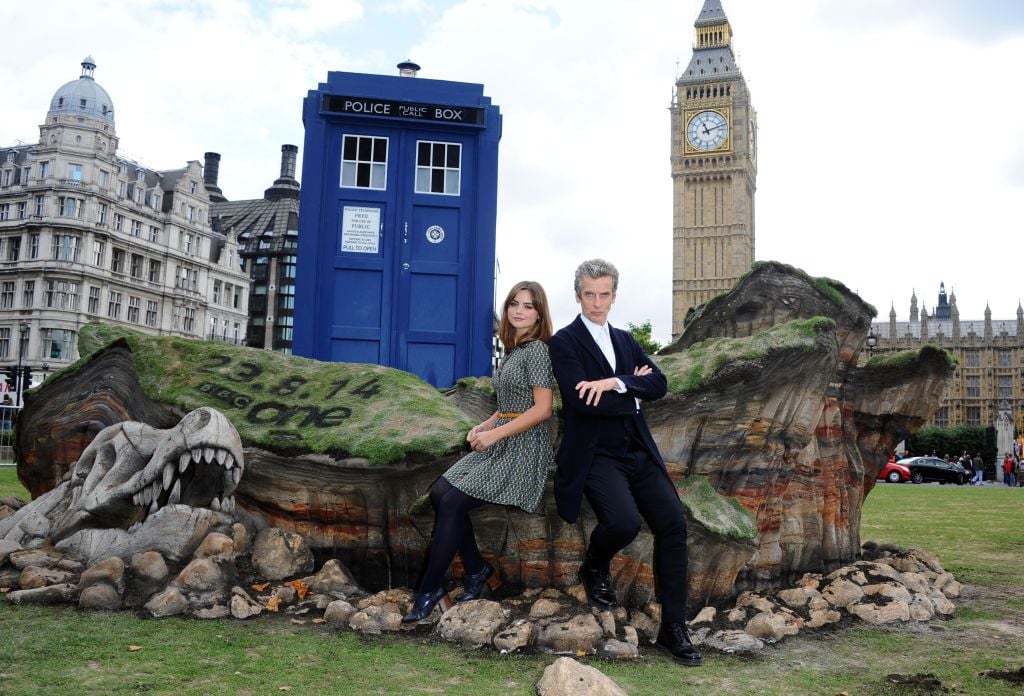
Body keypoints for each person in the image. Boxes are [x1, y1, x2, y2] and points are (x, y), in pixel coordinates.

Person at [548, 258, 701, 667]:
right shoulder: (563, 342)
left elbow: (660, 384)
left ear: (614, 296)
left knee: (673, 523)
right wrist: (634, 393)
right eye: (589, 294)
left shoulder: (626, 340)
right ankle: (594, 565)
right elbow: (581, 400)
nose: (597, 302)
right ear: (577, 295)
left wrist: (617, 383)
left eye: (604, 294)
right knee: (624, 523)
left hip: (637, 448)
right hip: (595, 453)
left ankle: (673, 627)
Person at [402, 281, 555, 624]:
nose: (519, 310)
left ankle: (428, 589)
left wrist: (496, 433)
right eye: (514, 303)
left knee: (453, 501)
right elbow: (513, 404)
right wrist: (485, 425)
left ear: (540, 313)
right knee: (442, 492)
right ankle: (477, 569)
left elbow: (543, 409)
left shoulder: (538, 352)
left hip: (524, 449)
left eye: (528, 306)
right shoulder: (516, 351)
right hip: (503, 437)